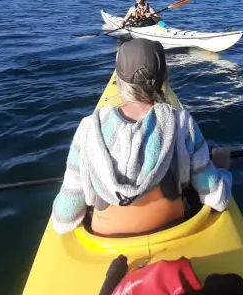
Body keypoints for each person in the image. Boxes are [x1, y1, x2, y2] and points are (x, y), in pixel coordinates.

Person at [51, 38, 232, 237]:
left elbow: (64, 220)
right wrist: (222, 168)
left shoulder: (88, 129)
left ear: (118, 80)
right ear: (164, 77)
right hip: (173, 233)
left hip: (106, 244)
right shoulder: (181, 123)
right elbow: (217, 198)